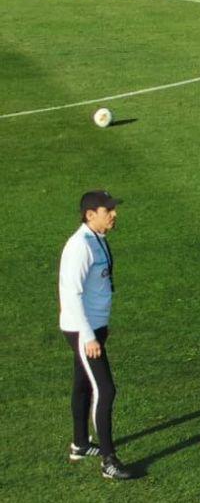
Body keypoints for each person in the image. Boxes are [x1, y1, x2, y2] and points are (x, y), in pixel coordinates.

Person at [59, 190, 133, 480]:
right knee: (106, 389)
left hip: (93, 326)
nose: (114, 214)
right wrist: (89, 335)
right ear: (90, 215)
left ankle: (80, 444)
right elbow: (71, 294)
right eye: (108, 210)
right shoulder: (79, 246)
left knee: (83, 383)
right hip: (81, 329)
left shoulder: (97, 239)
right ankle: (109, 461)